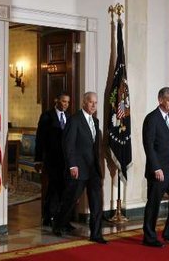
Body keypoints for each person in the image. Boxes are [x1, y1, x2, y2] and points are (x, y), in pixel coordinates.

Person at [53, 92, 107, 244]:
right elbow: (68, 144)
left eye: (96, 103)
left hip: (93, 169)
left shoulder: (95, 121)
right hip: (79, 168)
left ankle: (96, 234)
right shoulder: (74, 120)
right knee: (70, 200)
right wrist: (72, 164)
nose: (94, 105)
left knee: (97, 202)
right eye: (91, 102)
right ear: (84, 103)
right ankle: (58, 224)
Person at [142, 87, 169, 247]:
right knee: (153, 204)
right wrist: (156, 168)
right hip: (158, 170)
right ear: (161, 100)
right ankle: (149, 237)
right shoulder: (151, 119)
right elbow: (148, 145)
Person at [35, 92, 70, 227]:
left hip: (65, 160)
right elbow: (40, 139)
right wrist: (38, 159)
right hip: (52, 159)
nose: (66, 104)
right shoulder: (47, 116)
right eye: (63, 101)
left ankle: (54, 215)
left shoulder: (68, 117)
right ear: (56, 101)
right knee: (54, 187)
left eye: (67, 102)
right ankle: (49, 215)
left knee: (59, 188)